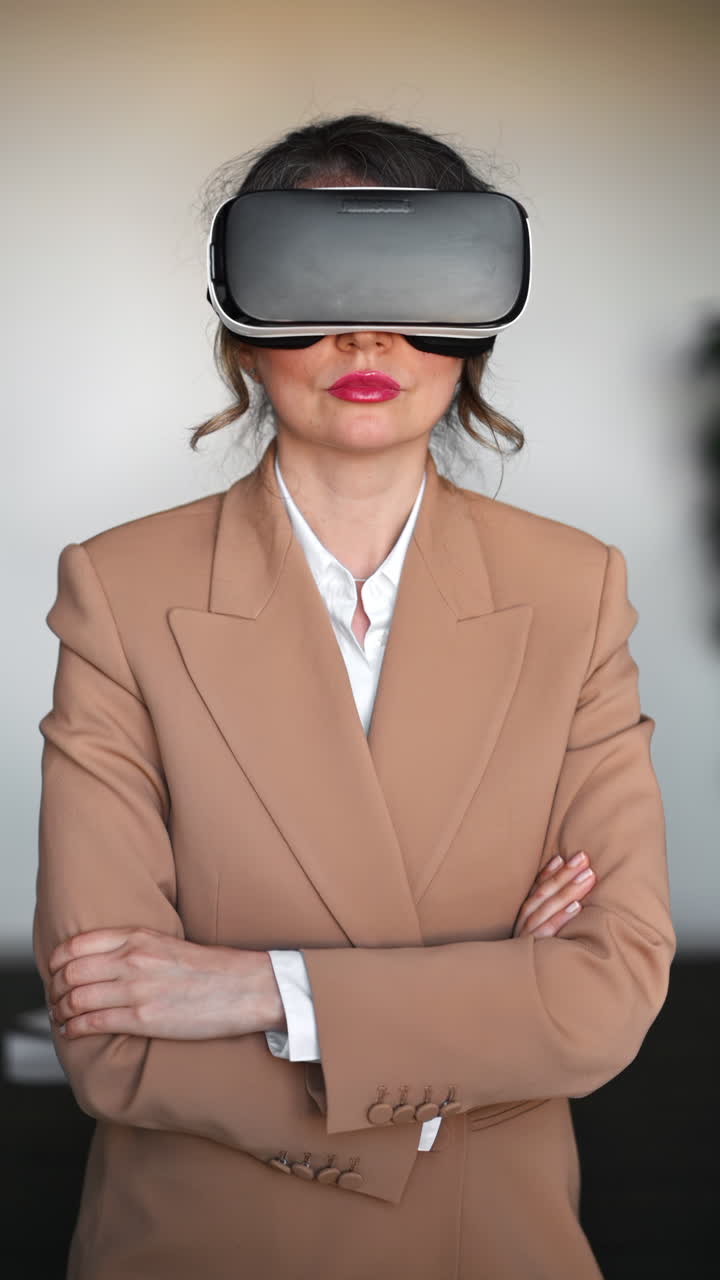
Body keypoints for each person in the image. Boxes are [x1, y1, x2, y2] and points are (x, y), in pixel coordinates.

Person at [34, 115, 674, 1279]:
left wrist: (253, 985)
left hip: (496, 1242)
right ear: (241, 327)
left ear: (474, 325)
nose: (366, 329)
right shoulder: (119, 591)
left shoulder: (577, 591)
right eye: (315, 276)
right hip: (199, 1242)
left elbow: (607, 989)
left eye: (417, 281)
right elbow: (112, 1031)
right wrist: (459, 1058)